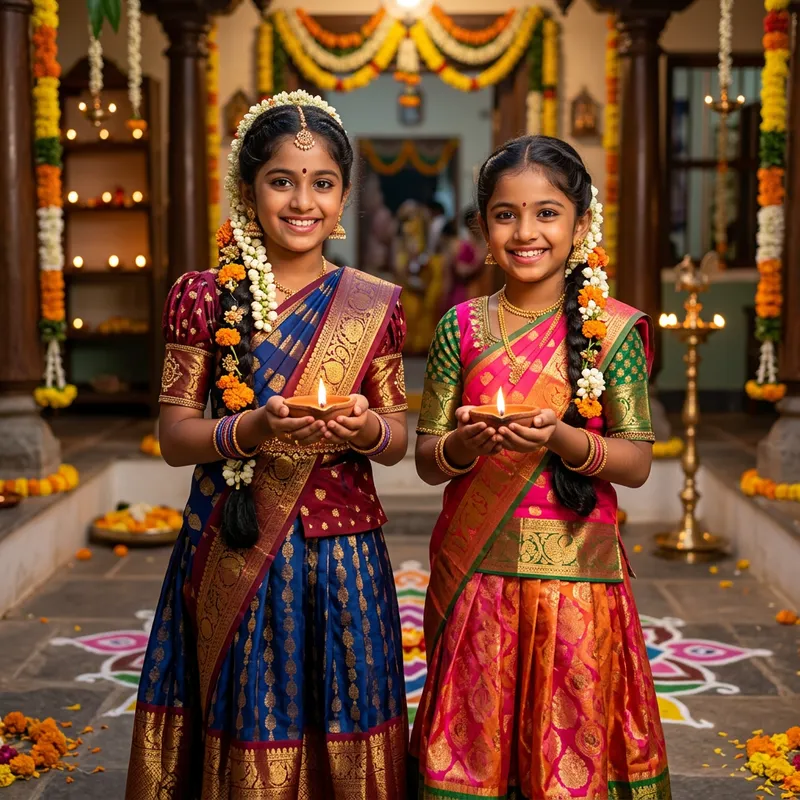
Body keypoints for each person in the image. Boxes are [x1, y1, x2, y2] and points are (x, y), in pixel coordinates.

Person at [125, 91, 409, 799]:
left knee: (342, 698)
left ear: (345, 195)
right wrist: (249, 430)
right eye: (282, 180)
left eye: (323, 183)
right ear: (248, 189)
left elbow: (399, 437)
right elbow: (172, 436)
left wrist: (365, 427)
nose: (302, 201)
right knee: (251, 704)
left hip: (341, 553)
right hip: (233, 540)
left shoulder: (373, 302)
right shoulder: (202, 296)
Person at [409, 135, 671, 799]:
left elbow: (636, 461)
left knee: (570, 751)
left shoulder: (611, 332)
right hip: (479, 580)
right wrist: (467, 445)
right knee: (474, 758)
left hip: (578, 585)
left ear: (582, 223)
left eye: (548, 213)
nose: (526, 232)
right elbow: (429, 459)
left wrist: (560, 436)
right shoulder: (459, 328)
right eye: (505, 214)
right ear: (481, 226)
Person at [441, 207, 488, 312]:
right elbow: (461, 271)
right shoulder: (463, 246)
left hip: (483, 294)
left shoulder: (486, 246)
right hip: (465, 297)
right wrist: (479, 262)